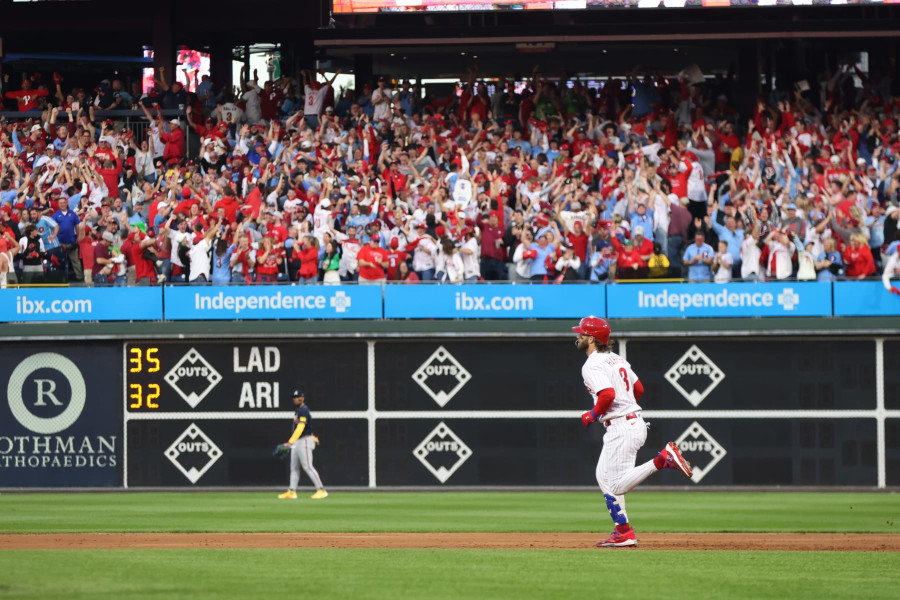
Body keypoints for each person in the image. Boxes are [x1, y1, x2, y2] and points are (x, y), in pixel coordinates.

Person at [573, 316, 693, 548]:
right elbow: (638, 388)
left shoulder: (592, 364)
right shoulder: (617, 359)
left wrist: (593, 413)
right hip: (632, 422)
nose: (577, 336)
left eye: (581, 333)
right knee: (603, 476)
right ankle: (623, 531)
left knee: (615, 484)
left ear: (592, 338)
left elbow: (607, 395)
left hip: (622, 426)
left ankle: (663, 459)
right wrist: (626, 406)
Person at [277, 389, 328, 500]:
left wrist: (290, 441)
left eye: (298, 397)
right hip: (297, 441)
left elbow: (301, 427)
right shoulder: (298, 411)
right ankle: (292, 491)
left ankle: (321, 490)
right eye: (294, 397)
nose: (296, 399)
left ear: (303, 398)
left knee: (308, 466)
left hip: (304, 441)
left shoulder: (304, 410)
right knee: (294, 468)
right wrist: (292, 442)